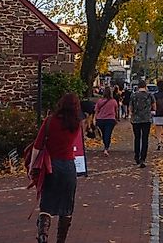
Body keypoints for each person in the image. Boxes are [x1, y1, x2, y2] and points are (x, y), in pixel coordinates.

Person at [28, 93, 83, 243]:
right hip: (69, 167)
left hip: (51, 166)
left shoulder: (49, 121)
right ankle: (61, 240)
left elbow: (37, 146)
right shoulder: (76, 124)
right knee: (67, 207)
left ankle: (43, 235)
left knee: (46, 203)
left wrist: (32, 166)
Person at [129, 80, 155, 168]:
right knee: (145, 138)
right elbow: (154, 106)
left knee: (137, 138)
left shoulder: (133, 95)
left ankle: (136, 156)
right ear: (145, 86)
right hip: (146, 119)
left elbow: (130, 107)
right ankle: (143, 158)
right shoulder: (149, 95)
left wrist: (131, 114)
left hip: (136, 119)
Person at [95, 87, 119, 156]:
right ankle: (106, 147)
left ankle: (105, 146)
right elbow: (116, 111)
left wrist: (95, 118)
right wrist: (116, 118)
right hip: (110, 119)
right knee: (108, 133)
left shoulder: (99, 101)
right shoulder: (114, 101)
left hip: (100, 119)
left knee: (103, 133)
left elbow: (96, 110)